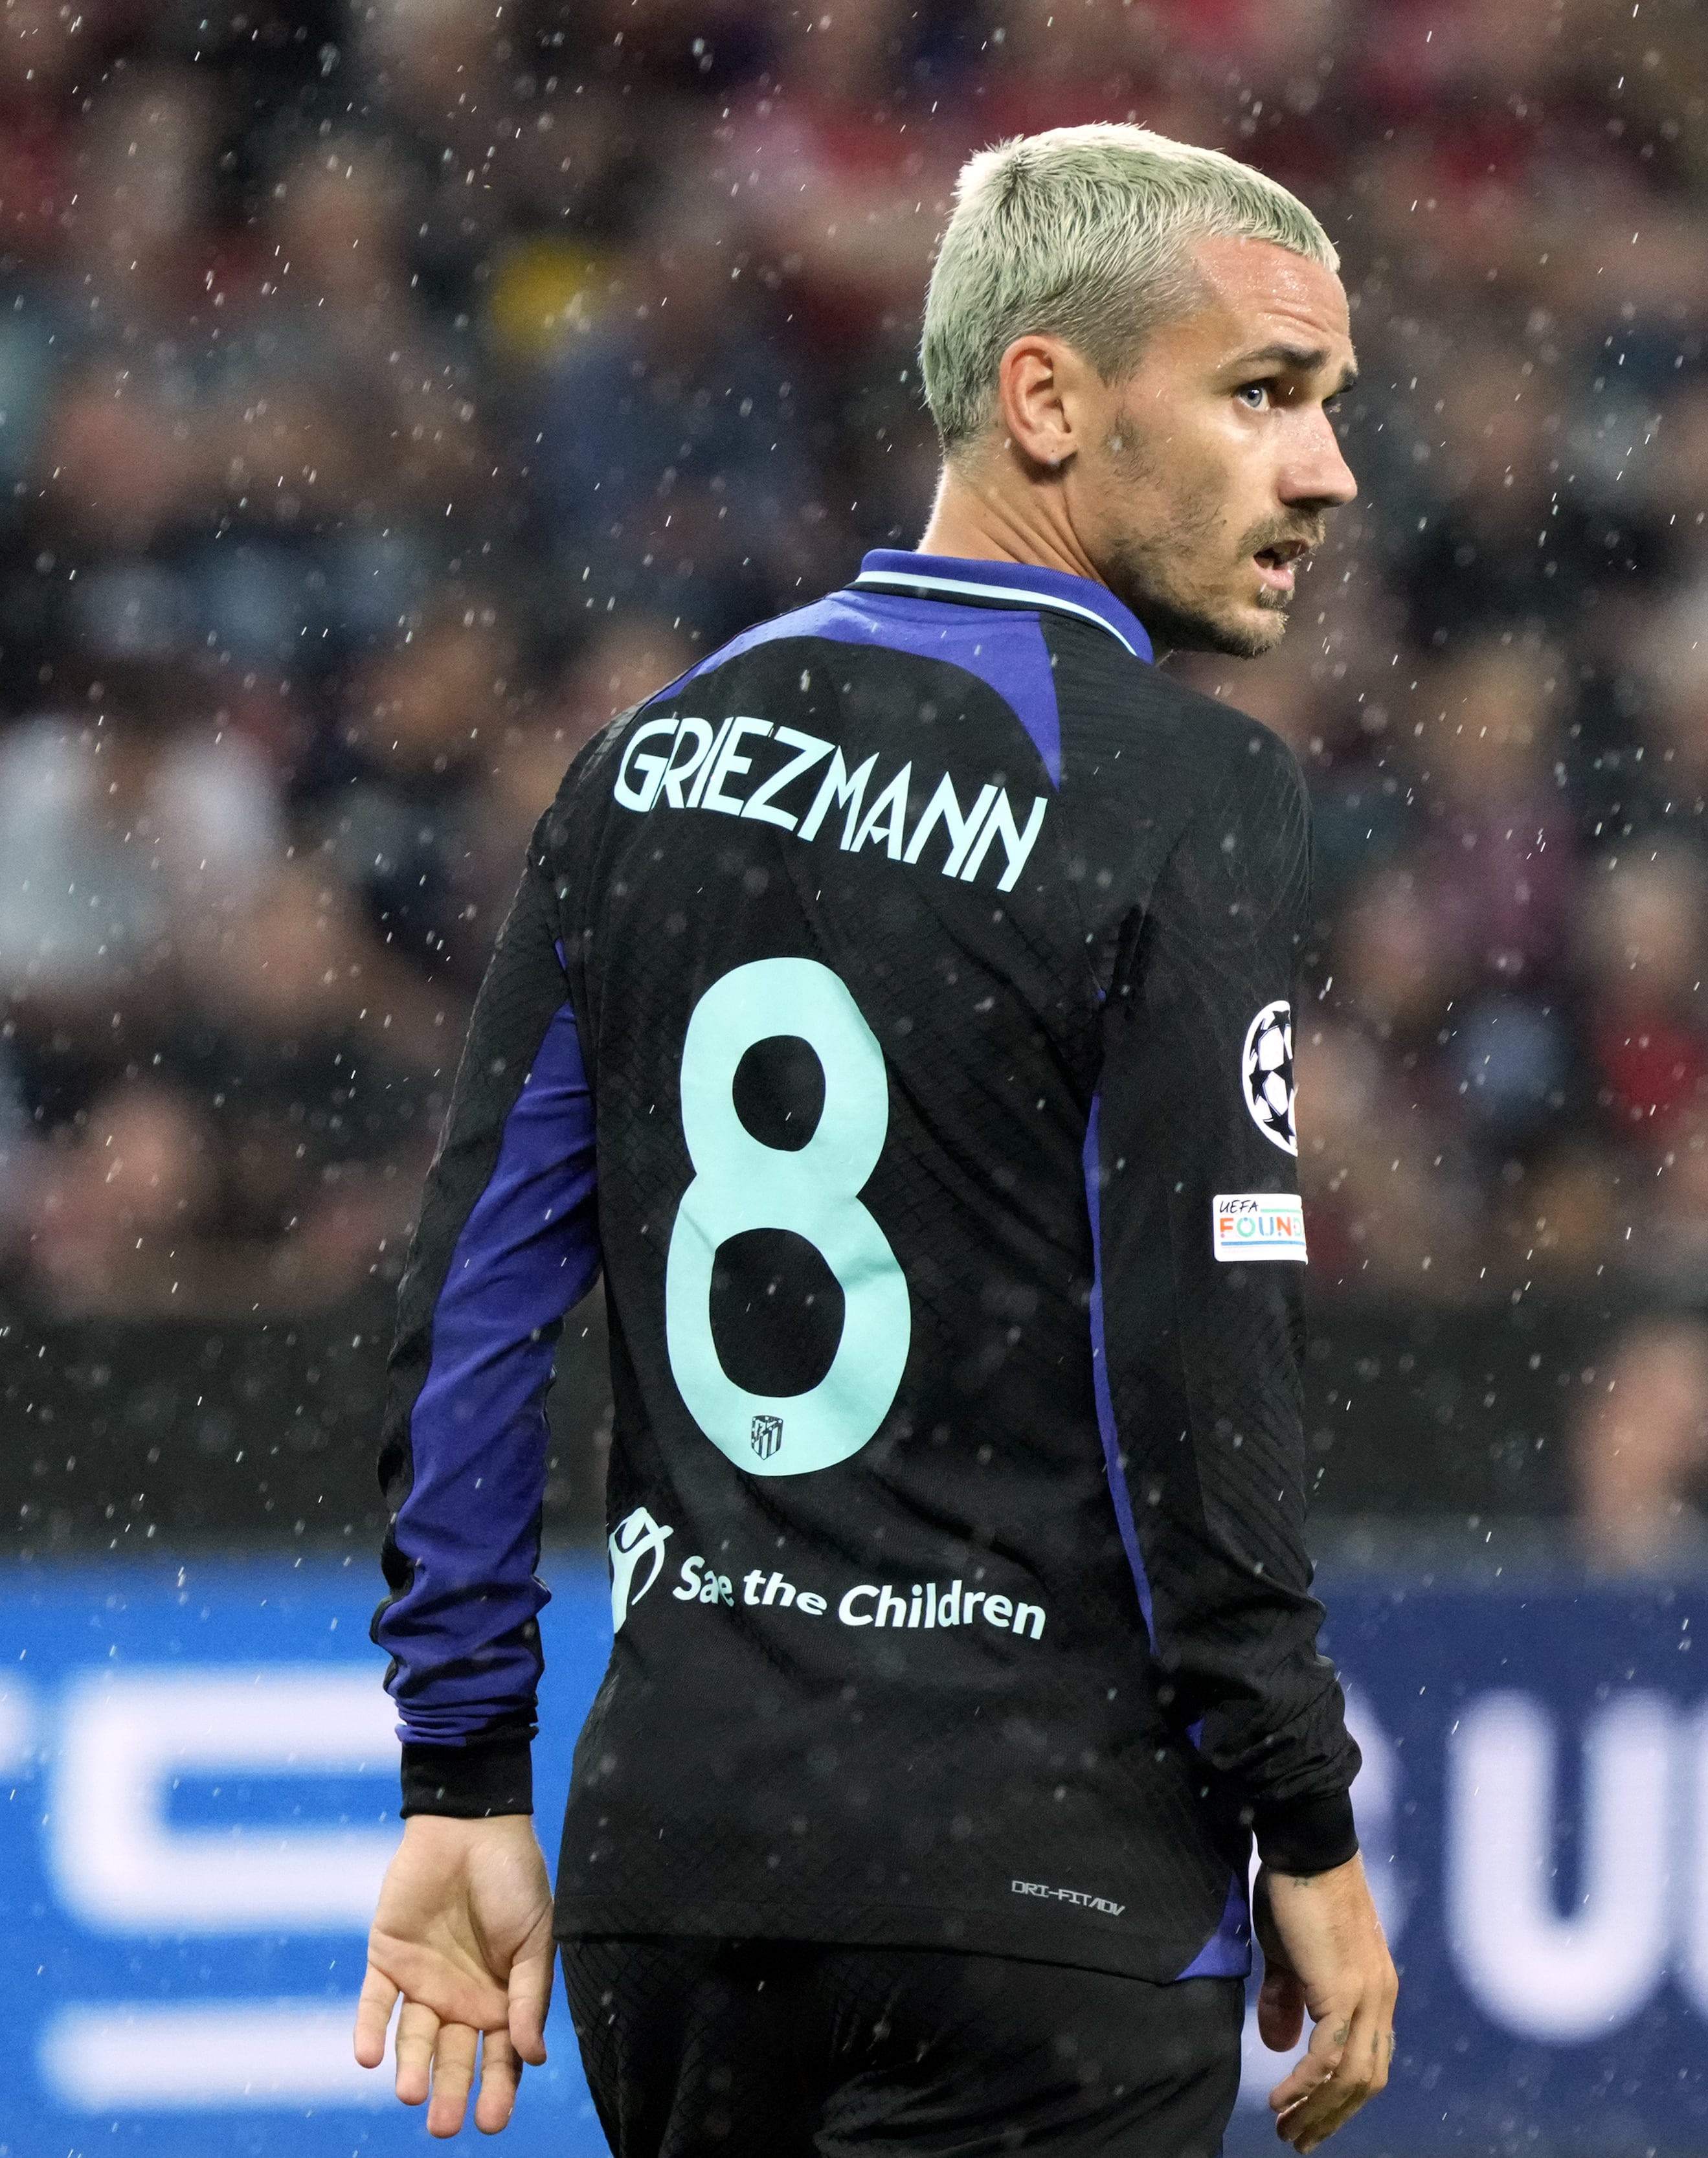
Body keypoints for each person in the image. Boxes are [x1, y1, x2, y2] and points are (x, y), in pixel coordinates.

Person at [352, 125, 1397, 2155]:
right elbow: (1200, 1364)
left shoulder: (643, 761)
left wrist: (462, 1769)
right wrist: (1301, 1807)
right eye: (1266, 394)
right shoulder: (1187, 796)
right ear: (1048, 399)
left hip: (682, 1873)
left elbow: (469, 1308)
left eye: (1330, 408)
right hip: (1042, 1889)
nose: (1327, 470)